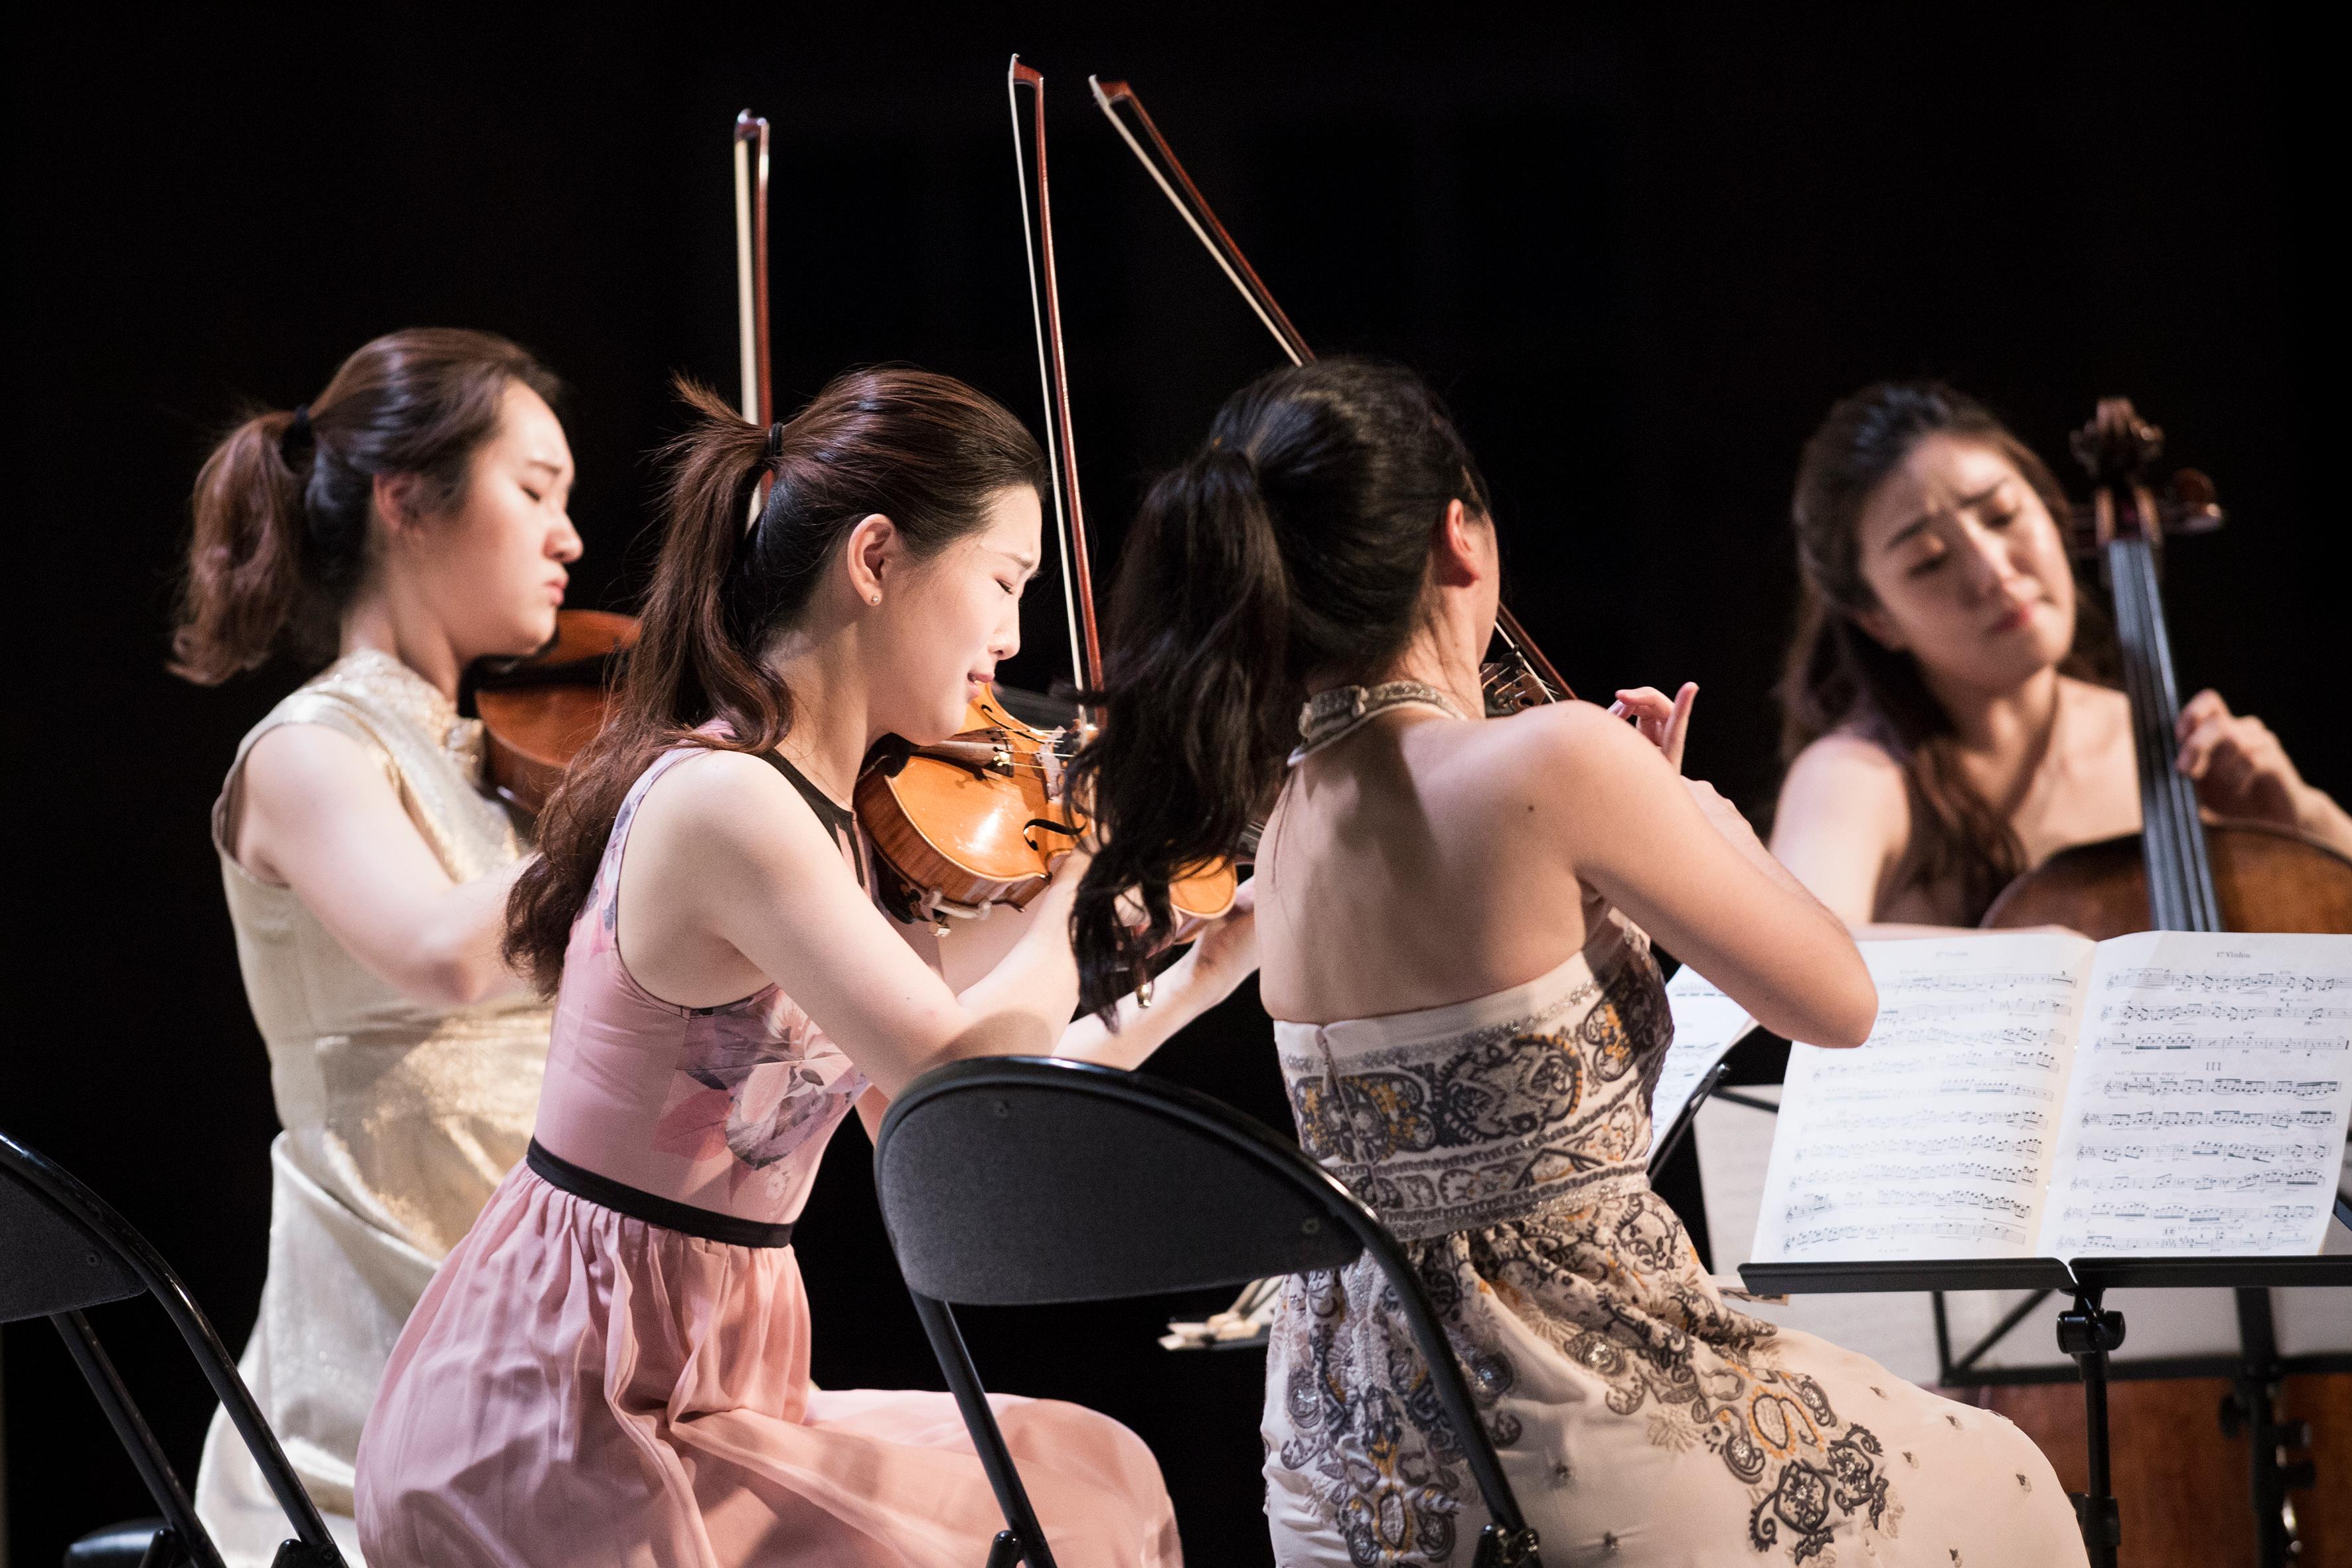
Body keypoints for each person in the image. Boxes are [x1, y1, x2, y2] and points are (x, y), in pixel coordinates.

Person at [1065, 358, 2087, 1565]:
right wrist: (1694, 817)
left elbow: (1511, 1065)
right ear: (1458, 539)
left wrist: (1620, 869)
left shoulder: (1282, 819)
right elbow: (1837, 1001)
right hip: (1569, 1424)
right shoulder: (1548, 760)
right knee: (2007, 1482)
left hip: (1345, 1463)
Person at [355, 370, 1253, 1567]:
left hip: (711, 1383)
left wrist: (1203, 972)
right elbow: (955, 1061)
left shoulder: (846, 834)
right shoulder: (725, 800)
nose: (1015, 639)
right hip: (566, 1399)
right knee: (1061, 1524)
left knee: (1095, 1473)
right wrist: (1081, 880)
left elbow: (960, 1129)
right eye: (1003, 582)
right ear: (875, 558)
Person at [169, 327, 583, 1565]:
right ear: (408, 501)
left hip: (540, 1317)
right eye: (535, 490)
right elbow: (441, 951)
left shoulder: (513, 770)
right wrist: (661, 819)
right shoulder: (307, 750)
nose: (569, 535)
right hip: (384, 1359)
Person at [1770, 379, 2352, 932]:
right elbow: (1793, 953)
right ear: (1877, 619)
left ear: (2050, 513)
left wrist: (2303, 820)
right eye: (1927, 561)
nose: (1993, 573)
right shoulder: (1858, 773)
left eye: (2002, 517)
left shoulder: (2158, 744)